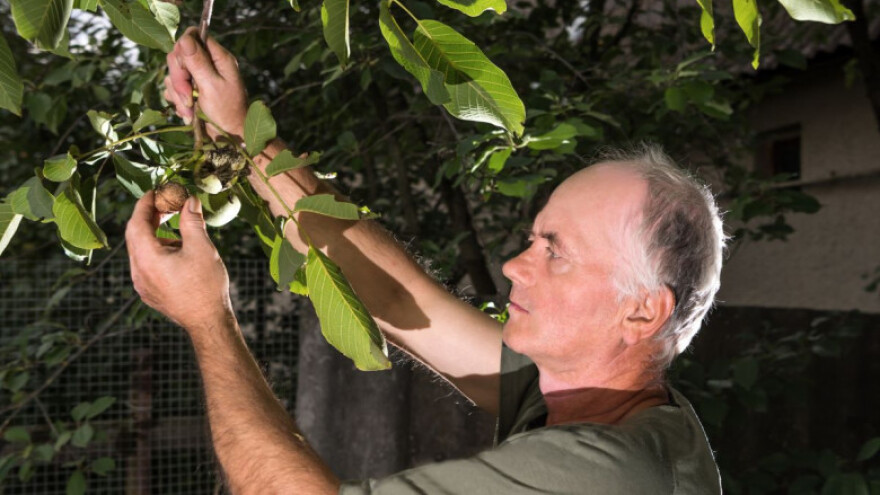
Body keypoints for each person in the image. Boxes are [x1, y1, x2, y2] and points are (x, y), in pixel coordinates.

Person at [126, 28, 725, 494]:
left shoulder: (611, 474)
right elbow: (398, 297)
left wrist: (208, 319)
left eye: (556, 253)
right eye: (534, 238)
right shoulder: (572, 393)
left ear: (643, 313)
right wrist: (241, 134)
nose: (515, 266)